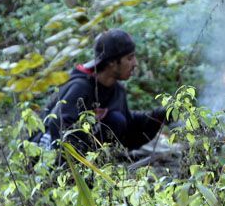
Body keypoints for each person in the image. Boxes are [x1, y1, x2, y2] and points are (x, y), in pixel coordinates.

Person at [32, 29, 167, 155]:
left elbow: (128, 127)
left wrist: (160, 115)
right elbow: (59, 124)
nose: (135, 63)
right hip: (48, 152)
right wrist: (74, 167)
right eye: (129, 58)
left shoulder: (117, 90)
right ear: (112, 62)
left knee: (117, 120)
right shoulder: (81, 86)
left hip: (84, 159)